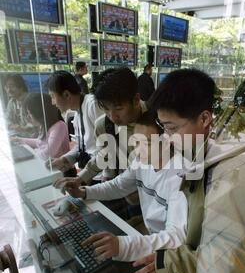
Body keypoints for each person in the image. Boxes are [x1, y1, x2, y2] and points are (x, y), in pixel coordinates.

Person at [132, 68, 245, 273]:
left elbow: (231, 261)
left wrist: (171, 263)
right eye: (163, 127)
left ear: (204, 119)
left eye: (171, 128)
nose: (167, 139)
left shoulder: (236, 171)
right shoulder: (203, 149)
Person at [65, 111, 189, 261]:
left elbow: (176, 236)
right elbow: (119, 185)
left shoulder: (181, 177)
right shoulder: (142, 161)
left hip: (170, 252)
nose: (138, 150)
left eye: (147, 143)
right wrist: (84, 192)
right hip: (150, 238)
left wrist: (122, 245)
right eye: (136, 142)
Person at [53, 68, 148, 209]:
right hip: (123, 194)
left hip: (151, 198)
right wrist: (81, 179)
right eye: (106, 109)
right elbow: (104, 156)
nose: (113, 116)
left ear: (135, 100)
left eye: (118, 108)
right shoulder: (104, 124)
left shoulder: (158, 122)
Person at [46, 71, 103, 174]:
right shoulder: (77, 113)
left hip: (101, 174)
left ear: (66, 94)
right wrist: (64, 159)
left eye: (53, 96)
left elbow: (108, 146)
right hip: (91, 171)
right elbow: (82, 146)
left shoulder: (92, 105)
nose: (52, 102)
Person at [11, 93, 69, 161]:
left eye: (30, 113)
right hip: (49, 167)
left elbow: (47, 154)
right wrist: (19, 140)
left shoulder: (59, 126)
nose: (28, 117)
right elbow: (39, 143)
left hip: (61, 170)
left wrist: (30, 153)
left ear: (40, 113)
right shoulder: (44, 125)